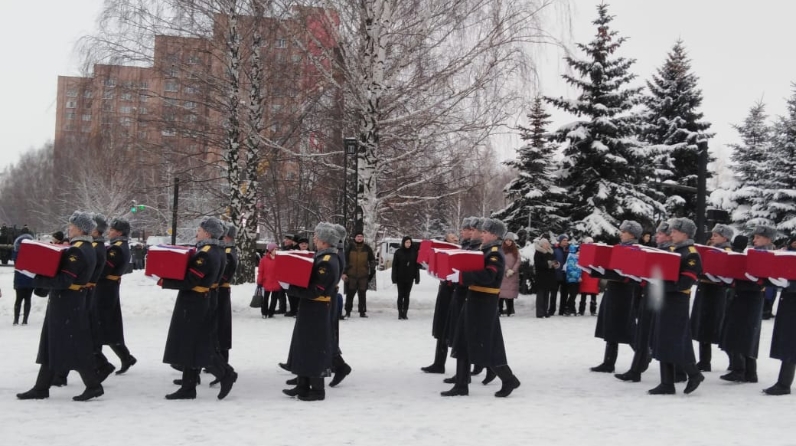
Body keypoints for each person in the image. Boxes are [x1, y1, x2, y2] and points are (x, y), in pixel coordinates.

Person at [16, 211, 104, 401]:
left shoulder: (77, 250)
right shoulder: (86, 247)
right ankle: (41, 388)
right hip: (70, 302)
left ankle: (93, 385)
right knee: (53, 343)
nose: (69, 229)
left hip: (67, 303)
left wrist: (36, 278)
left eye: (72, 226)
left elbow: (64, 280)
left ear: (81, 229)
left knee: (73, 345)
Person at [442, 218, 521, 398]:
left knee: (486, 344)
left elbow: (488, 276)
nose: (482, 234)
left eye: (485, 232)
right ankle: (461, 384)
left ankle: (508, 379)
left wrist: (462, 277)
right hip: (474, 299)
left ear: (494, 235)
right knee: (463, 341)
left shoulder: (494, 253)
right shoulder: (484, 250)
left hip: (484, 303)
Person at [159, 217, 236, 400]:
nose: (197, 233)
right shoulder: (217, 250)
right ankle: (188, 387)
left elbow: (191, 280)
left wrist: (164, 281)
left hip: (195, 302)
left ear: (207, 233)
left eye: (200, 230)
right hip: (204, 300)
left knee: (197, 343)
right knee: (192, 344)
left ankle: (225, 373)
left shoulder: (206, 253)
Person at [281, 222, 340, 401]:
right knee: (304, 345)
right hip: (311, 308)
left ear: (325, 241)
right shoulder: (322, 257)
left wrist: (290, 288)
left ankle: (317, 390)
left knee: (314, 347)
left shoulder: (327, 261)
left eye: (317, 236)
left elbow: (316, 290)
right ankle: (303, 385)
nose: (314, 238)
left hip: (317, 309)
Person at [648, 218, 705, 395]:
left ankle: (694, 374)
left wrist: (661, 284)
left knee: (676, 340)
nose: (671, 234)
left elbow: (685, 283)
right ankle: (667, 382)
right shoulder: (674, 250)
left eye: (674, 231)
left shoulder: (691, 254)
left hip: (678, 301)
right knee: (663, 339)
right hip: (666, 299)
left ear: (685, 234)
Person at [615, 221, 672, 383]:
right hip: (648, 295)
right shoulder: (657, 250)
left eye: (660, 234)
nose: (656, 236)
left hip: (661, 299)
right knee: (643, 333)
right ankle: (636, 370)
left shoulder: (672, 252)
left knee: (664, 336)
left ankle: (682, 371)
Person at [720, 225, 776, 384]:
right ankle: (747, 371)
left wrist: (755, 280)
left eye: (758, 237)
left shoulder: (769, 254)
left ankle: (742, 370)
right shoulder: (751, 252)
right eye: (755, 237)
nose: (754, 240)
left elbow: (768, 279)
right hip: (741, 294)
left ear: (768, 239)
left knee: (745, 333)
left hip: (752, 297)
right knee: (740, 332)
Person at [590, 220, 643, 374]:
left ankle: (643, 353)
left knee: (626, 327)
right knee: (610, 325)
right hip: (613, 289)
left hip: (625, 292)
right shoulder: (619, 248)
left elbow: (630, 274)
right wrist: (594, 268)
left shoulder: (635, 250)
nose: (621, 234)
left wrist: (606, 272)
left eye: (624, 231)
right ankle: (609, 362)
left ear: (632, 234)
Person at [92, 217, 137, 380]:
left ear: (119, 233)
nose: (109, 232)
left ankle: (99, 363)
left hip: (105, 289)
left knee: (99, 324)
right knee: (107, 325)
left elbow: (104, 270)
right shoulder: (119, 246)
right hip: (108, 288)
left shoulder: (116, 249)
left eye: (112, 230)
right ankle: (125, 357)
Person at [690, 224, 734, 372]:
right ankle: (704, 361)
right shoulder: (710, 249)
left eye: (716, 235)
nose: (712, 237)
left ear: (725, 238)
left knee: (716, 328)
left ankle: (735, 361)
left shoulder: (727, 252)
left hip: (717, 293)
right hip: (705, 290)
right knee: (702, 327)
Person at [421, 231, 460, 374]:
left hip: (455, 292)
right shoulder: (443, 251)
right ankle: (439, 363)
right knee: (441, 327)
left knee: (456, 331)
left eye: (456, 236)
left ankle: (472, 367)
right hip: (445, 290)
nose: (455, 238)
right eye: (452, 237)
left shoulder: (462, 250)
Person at [764, 272, 796, 395]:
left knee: (790, 344)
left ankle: (784, 384)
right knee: (789, 344)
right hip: (789, 301)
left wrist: (790, 284)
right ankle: (783, 383)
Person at [343, 231, 375, 318]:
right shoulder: (350, 247)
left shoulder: (367, 248)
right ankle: (348, 311)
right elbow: (345, 260)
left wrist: (372, 270)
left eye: (361, 236)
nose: (360, 238)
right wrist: (344, 272)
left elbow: (372, 260)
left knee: (362, 294)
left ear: (363, 237)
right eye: (358, 236)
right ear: (355, 237)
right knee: (350, 294)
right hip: (351, 275)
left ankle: (362, 312)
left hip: (363, 275)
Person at [391, 235, 420, 319]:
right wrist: (394, 277)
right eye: (406, 242)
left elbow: (416, 266)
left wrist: (417, 277)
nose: (408, 244)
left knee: (407, 296)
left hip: (410, 277)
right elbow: (394, 266)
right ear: (403, 243)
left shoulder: (414, 252)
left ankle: (405, 313)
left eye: (409, 242)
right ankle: (400, 313)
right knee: (400, 295)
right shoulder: (398, 252)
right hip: (400, 277)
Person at [12, 233, 35, 325]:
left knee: (18, 300)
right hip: (30, 279)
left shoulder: (17, 253)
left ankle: (16, 320)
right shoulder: (33, 254)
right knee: (28, 300)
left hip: (19, 280)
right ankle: (25, 320)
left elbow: (14, 260)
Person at [533, 238, 556, 319]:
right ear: (541, 245)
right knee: (540, 295)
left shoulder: (550, 252)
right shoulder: (538, 253)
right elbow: (538, 264)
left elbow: (553, 261)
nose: (547, 245)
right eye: (545, 243)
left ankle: (545, 311)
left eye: (547, 243)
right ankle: (540, 312)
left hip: (549, 277)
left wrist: (555, 264)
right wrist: (549, 264)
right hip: (541, 277)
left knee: (546, 295)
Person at [256, 243, 281, 318]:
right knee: (265, 298)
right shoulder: (264, 260)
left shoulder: (279, 259)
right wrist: (259, 281)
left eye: (277, 249)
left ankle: (271, 312)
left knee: (274, 299)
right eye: (275, 249)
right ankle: (264, 312)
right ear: (270, 250)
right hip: (266, 282)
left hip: (276, 282)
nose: (276, 251)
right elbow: (260, 271)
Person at [499, 232, 520, 316]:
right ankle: (500, 310)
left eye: (510, 240)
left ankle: (510, 311)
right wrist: (507, 270)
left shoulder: (515, 250)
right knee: (501, 294)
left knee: (511, 294)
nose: (508, 242)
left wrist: (513, 270)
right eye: (506, 240)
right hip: (504, 274)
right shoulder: (501, 250)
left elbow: (518, 261)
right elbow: (501, 261)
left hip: (512, 275)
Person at [578, 237, 600, 316]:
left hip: (589, 275)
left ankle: (583, 310)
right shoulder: (595, 252)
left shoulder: (583, 252)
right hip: (589, 275)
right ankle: (590, 310)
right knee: (588, 294)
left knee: (586, 294)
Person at [551, 234, 570, 316]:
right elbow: (552, 260)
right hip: (556, 274)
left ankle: (562, 310)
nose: (566, 242)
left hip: (566, 274)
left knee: (565, 293)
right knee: (553, 293)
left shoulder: (569, 250)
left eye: (567, 240)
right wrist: (555, 265)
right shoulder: (555, 249)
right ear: (560, 241)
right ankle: (551, 310)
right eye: (564, 240)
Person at [563, 243, 581, 316]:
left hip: (576, 279)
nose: (579, 252)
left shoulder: (577, 258)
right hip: (571, 279)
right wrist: (577, 276)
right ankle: (567, 307)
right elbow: (570, 269)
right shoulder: (571, 258)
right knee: (573, 294)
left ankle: (572, 309)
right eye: (578, 251)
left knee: (574, 294)